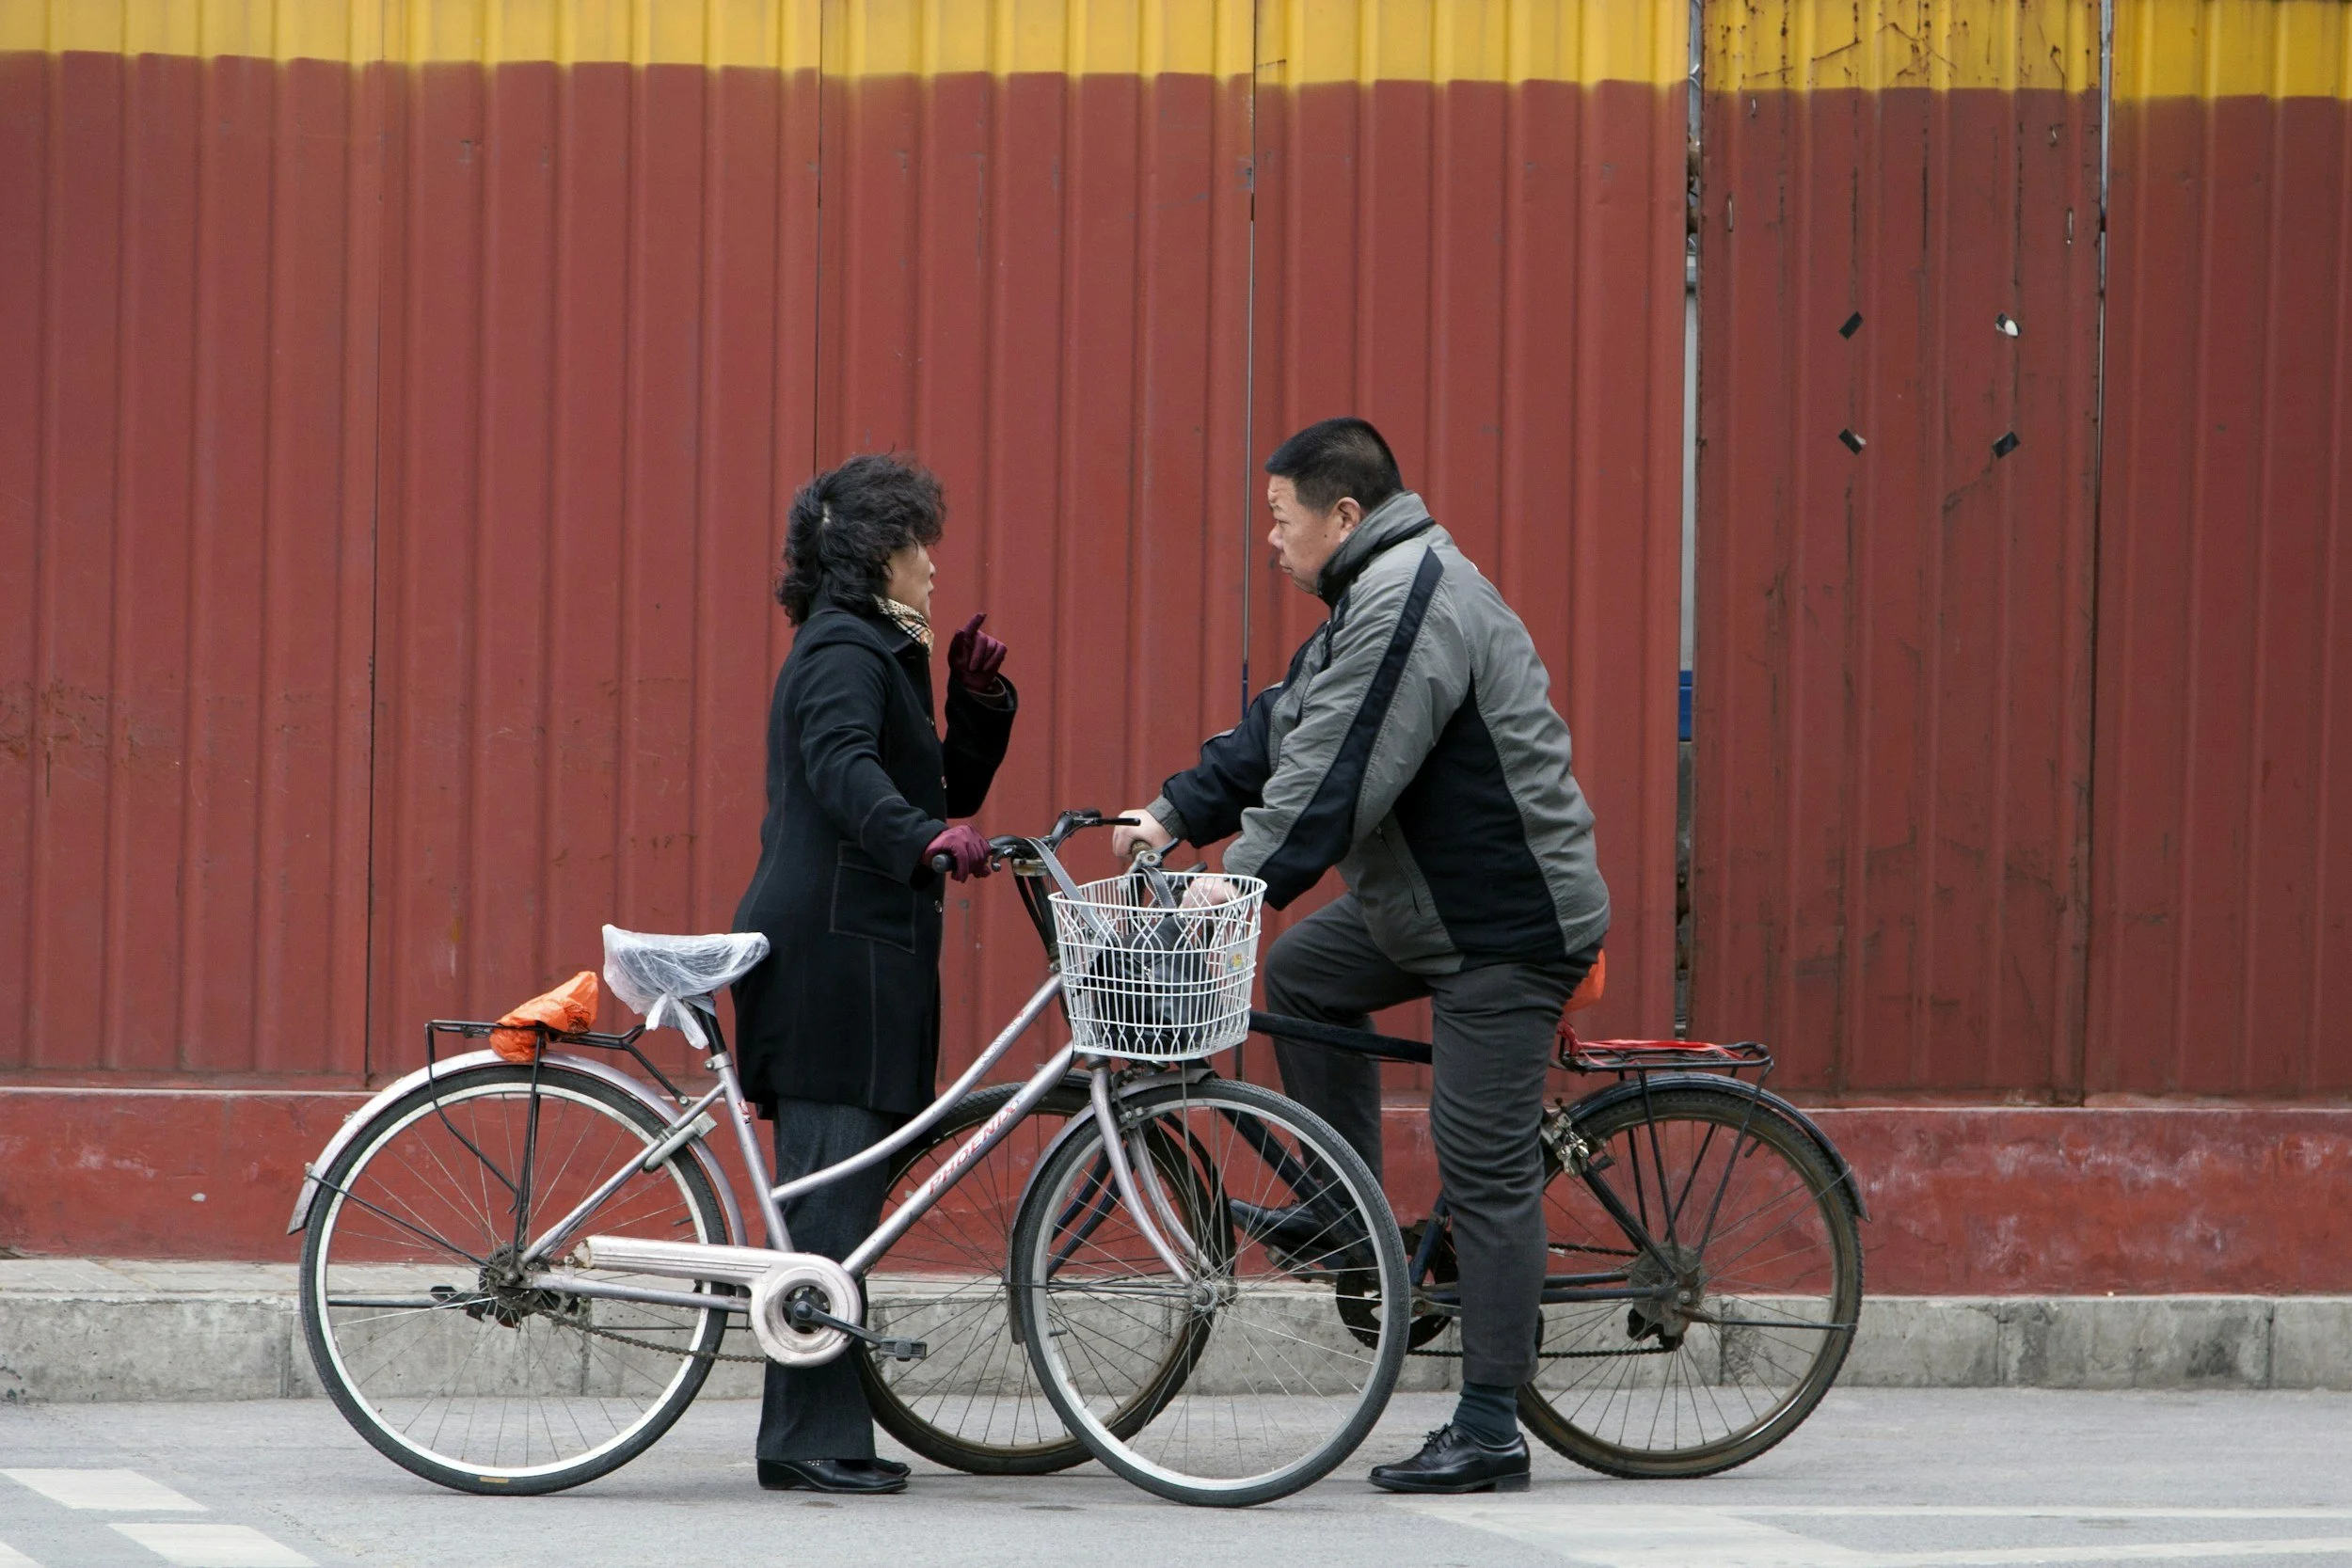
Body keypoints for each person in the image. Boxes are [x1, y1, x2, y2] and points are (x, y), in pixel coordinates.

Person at [1114, 417, 1607, 1495]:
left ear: (1344, 515)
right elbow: (1290, 718)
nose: (1271, 541)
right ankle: (1354, 1219)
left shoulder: (1411, 599)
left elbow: (1342, 767)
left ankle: (1489, 1429)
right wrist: (1171, 812)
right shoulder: (1377, 592)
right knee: (1301, 975)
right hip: (1426, 908)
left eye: (1280, 519)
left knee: (1483, 1168)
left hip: (1502, 927)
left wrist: (1241, 878)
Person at [730, 453, 1016, 1496]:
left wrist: (974, 702)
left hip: (859, 958)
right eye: (918, 545)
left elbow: (934, 779)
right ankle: (806, 1434)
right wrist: (923, 838)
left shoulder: (876, 653)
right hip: (829, 961)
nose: (934, 566)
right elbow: (847, 771)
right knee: (832, 1206)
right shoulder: (843, 650)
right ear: (877, 557)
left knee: (844, 1195)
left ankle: (817, 1423)